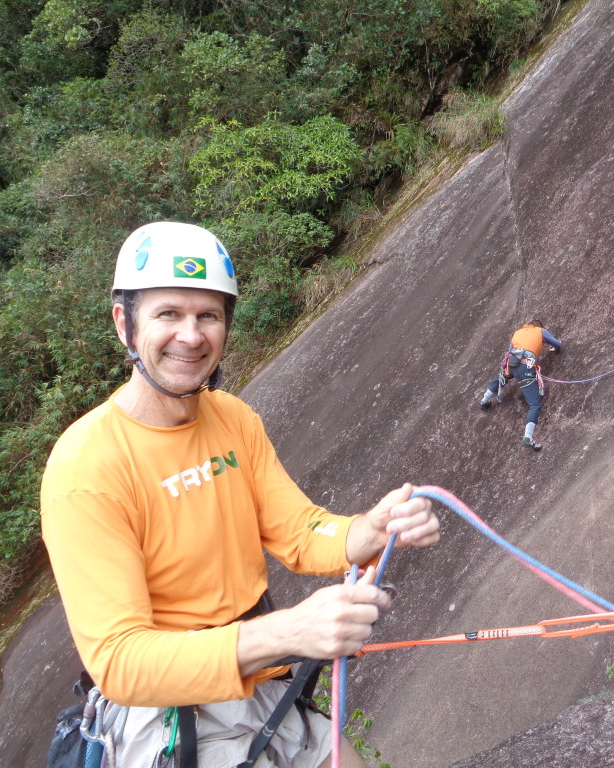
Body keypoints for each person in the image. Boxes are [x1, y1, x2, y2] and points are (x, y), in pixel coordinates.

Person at [40, 221, 440, 768]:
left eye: (208, 315)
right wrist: (287, 630)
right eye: (168, 314)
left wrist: (367, 529)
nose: (191, 334)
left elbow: (298, 531)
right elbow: (120, 661)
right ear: (124, 324)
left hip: (258, 677)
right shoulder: (87, 465)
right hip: (169, 713)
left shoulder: (232, 418)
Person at [478, 320, 562, 451]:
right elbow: (557, 344)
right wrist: (554, 347)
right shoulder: (540, 331)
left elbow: (511, 351)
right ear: (538, 326)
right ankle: (528, 437)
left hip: (513, 363)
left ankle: (484, 399)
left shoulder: (517, 333)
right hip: (526, 368)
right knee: (535, 404)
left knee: (503, 377)